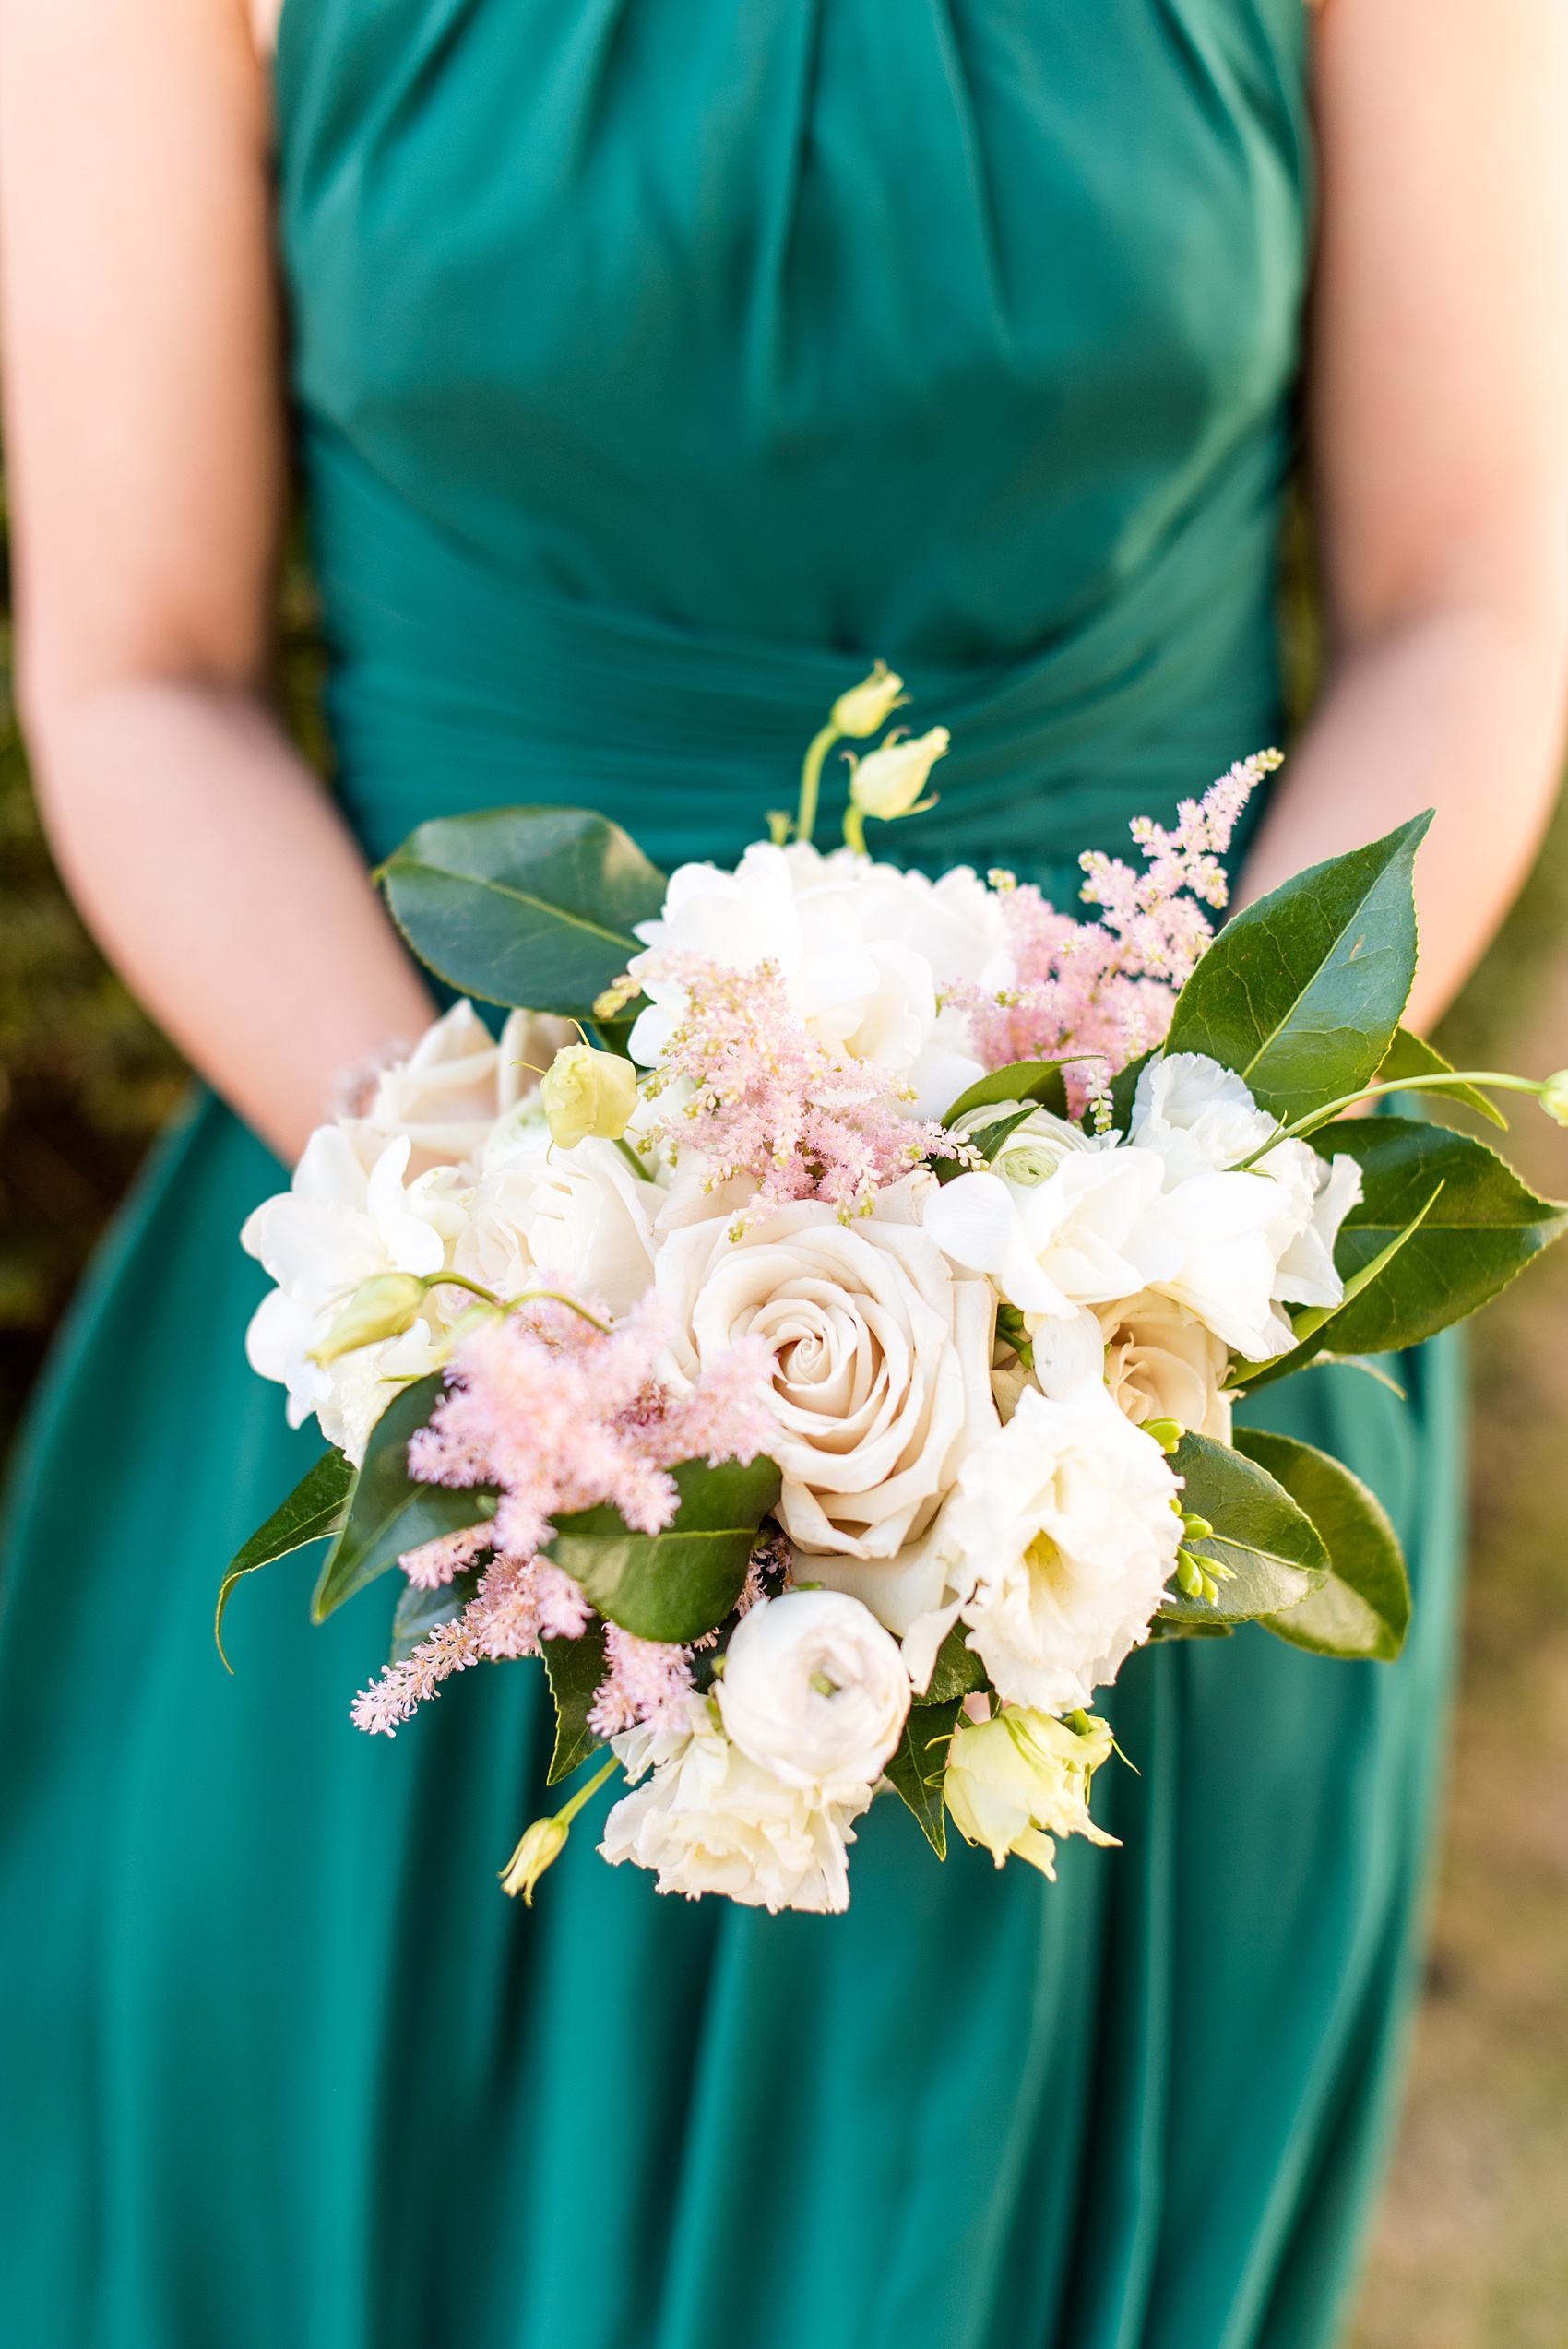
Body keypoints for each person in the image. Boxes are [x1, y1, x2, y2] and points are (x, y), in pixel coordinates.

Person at [1, 0, 1565, 2343]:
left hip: (1131, 1397)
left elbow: (1471, 602)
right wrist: (509, 1240)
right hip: (452, 1375)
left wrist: (1160, 1187)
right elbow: (144, 670)